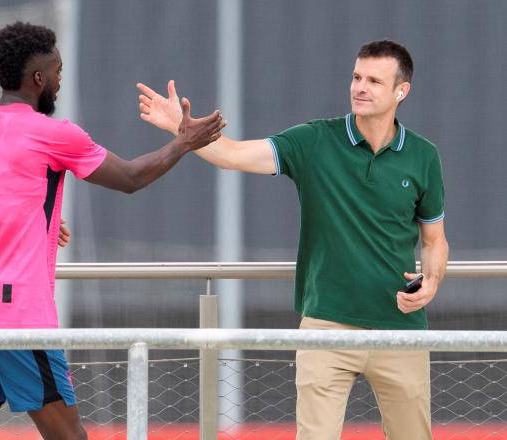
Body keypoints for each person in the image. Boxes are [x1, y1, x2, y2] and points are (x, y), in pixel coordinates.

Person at [137, 39, 449, 440]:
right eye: (356, 76)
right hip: (326, 326)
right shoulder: (314, 141)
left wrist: (434, 282)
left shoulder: (424, 156)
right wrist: (181, 132)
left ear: (401, 92)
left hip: (401, 329)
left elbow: (435, 239)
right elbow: (234, 154)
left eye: (374, 80)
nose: (360, 87)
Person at [0, 21, 225, 440]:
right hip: (15, 315)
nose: (59, 79)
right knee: (70, 437)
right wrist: (183, 141)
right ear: (39, 78)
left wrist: (37, 223)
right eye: (56, 71)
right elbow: (129, 178)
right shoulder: (53, 132)